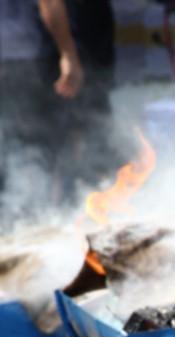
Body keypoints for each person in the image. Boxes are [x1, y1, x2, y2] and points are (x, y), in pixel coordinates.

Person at [0, 0, 116, 214]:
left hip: (15, 57)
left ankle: (20, 220)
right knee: (36, 154)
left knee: (15, 156)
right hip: (24, 58)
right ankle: (38, 218)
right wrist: (68, 55)